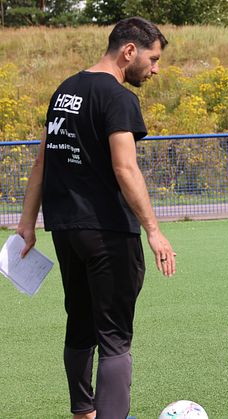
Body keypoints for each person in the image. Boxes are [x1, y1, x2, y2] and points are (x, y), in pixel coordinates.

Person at [15, 17, 176, 419]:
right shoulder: (119, 98)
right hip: (107, 233)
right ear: (129, 51)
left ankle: (84, 413)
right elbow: (126, 169)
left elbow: (41, 162)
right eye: (153, 59)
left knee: (80, 324)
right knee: (115, 337)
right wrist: (154, 231)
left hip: (66, 230)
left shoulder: (64, 90)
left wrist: (27, 222)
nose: (155, 69)